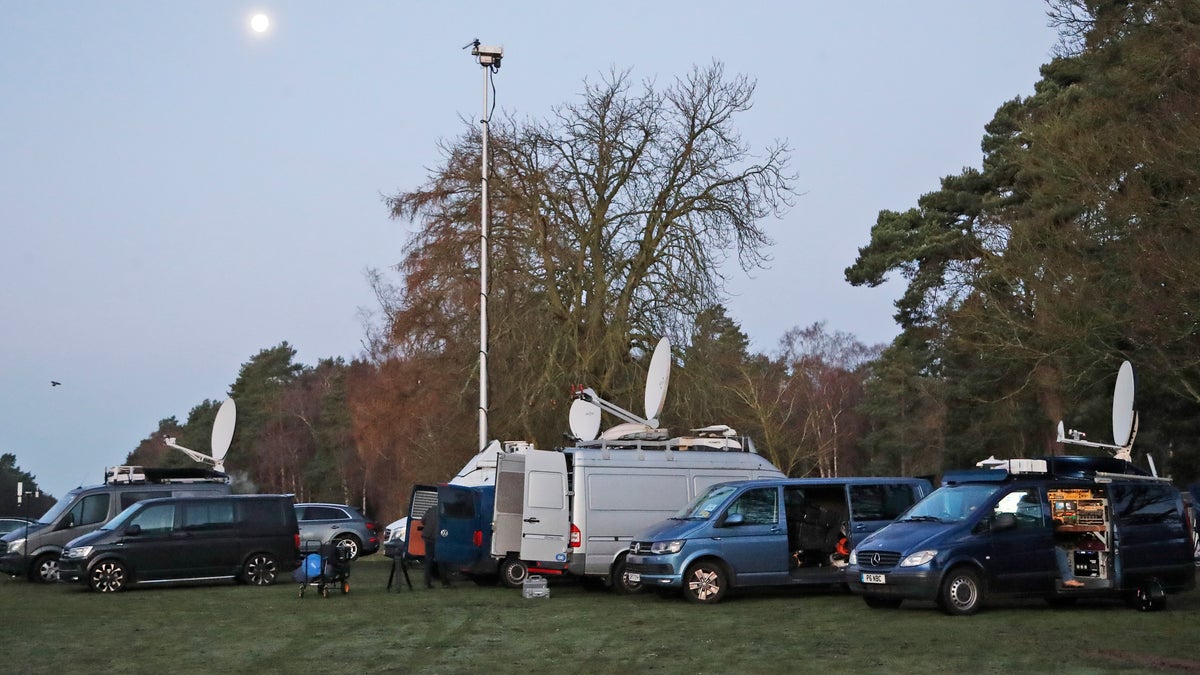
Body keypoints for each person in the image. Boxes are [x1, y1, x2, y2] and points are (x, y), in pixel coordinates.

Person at [421, 504, 451, 588]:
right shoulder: (446, 511)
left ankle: (427, 582)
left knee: (428, 560)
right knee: (441, 560)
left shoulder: (431, 509)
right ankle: (445, 582)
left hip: (428, 536)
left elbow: (423, 520)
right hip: (439, 537)